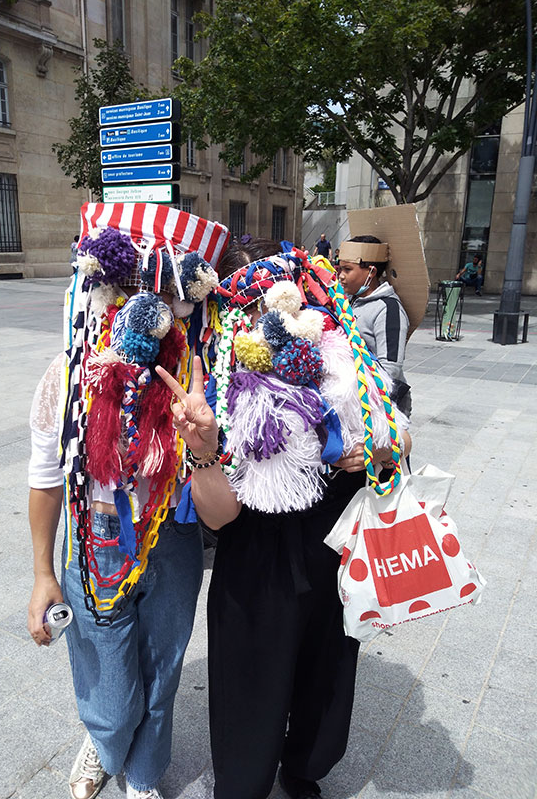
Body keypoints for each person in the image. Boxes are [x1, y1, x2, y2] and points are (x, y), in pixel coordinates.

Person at [158, 240, 411, 799]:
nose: (265, 321)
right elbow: (220, 519)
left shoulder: (339, 359)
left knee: (325, 672)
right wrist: (202, 450)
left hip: (335, 550)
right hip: (254, 564)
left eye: (276, 299)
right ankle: (246, 780)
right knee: (249, 684)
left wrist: (375, 449)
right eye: (247, 307)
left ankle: (304, 768)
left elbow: (402, 434)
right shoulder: (215, 388)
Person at [27, 203, 229, 799]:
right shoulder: (66, 378)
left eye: (162, 296)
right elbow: (44, 479)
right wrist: (42, 572)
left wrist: (204, 445)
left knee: (162, 676)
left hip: (173, 543)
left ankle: (142, 775)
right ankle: (105, 737)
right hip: (96, 545)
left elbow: (223, 509)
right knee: (112, 691)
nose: (142, 312)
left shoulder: (202, 384)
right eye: (124, 290)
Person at [336, 234, 411, 418]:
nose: (341, 276)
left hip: (377, 407)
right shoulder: (351, 300)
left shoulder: (389, 309)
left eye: (347, 269)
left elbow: (390, 368)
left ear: (371, 272)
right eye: (340, 269)